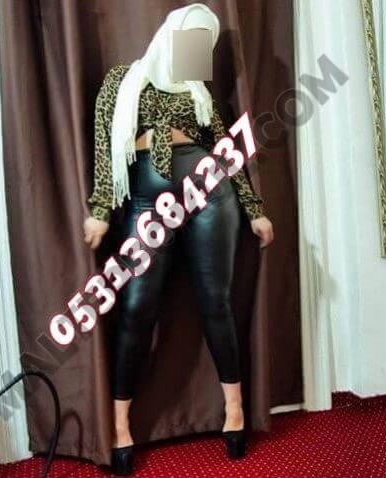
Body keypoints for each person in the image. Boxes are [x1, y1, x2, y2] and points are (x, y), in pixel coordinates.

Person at [83, 4, 274, 475]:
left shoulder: (200, 92)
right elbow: (105, 143)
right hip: (148, 202)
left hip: (210, 195)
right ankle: (120, 424)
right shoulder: (124, 80)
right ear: (170, 36)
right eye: (190, 39)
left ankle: (234, 411)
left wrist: (254, 210)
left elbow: (225, 150)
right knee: (137, 306)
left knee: (215, 301)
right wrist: (101, 210)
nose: (196, 50)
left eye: (204, 43)